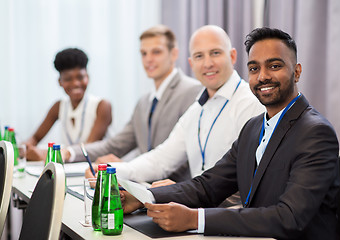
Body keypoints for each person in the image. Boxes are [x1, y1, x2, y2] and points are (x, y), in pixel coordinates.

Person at [122, 27, 340, 240]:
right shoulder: (253, 128)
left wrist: (195, 219)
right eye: (254, 69)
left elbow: (289, 217)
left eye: (274, 66)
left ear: (297, 71)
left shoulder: (315, 133)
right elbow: (207, 186)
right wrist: (144, 198)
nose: (263, 76)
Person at [93, 25, 264, 189]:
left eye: (215, 53)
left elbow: (246, 177)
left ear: (232, 56)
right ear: (191, 63)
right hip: (199, 207)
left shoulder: (250, 103)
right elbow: (161, 159)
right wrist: (110, 170)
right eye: (199, 56)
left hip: (230, 212)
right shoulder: (197, 110)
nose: (207, 63)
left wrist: (183, 191)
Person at [66, 25, 202, 181]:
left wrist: (126, 168)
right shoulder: (143, 103)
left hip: (175, 194)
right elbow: (115, 145)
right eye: (144, 53)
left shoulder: (193, 91)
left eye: (156, 52)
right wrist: (69, 152)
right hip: (142, 189)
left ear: (174, 54)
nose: (148, 59)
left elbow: (186, 157)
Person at [25, 48, 112, 161]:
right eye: (68, 79)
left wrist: (45, 153)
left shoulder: (102, 106)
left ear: (88, 77)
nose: (75, 83)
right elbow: (35, 137)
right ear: (60, 82)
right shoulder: (59, 106)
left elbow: (88, 149)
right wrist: (27, 147)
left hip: (97, 170)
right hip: (73, 169)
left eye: (80, 77)